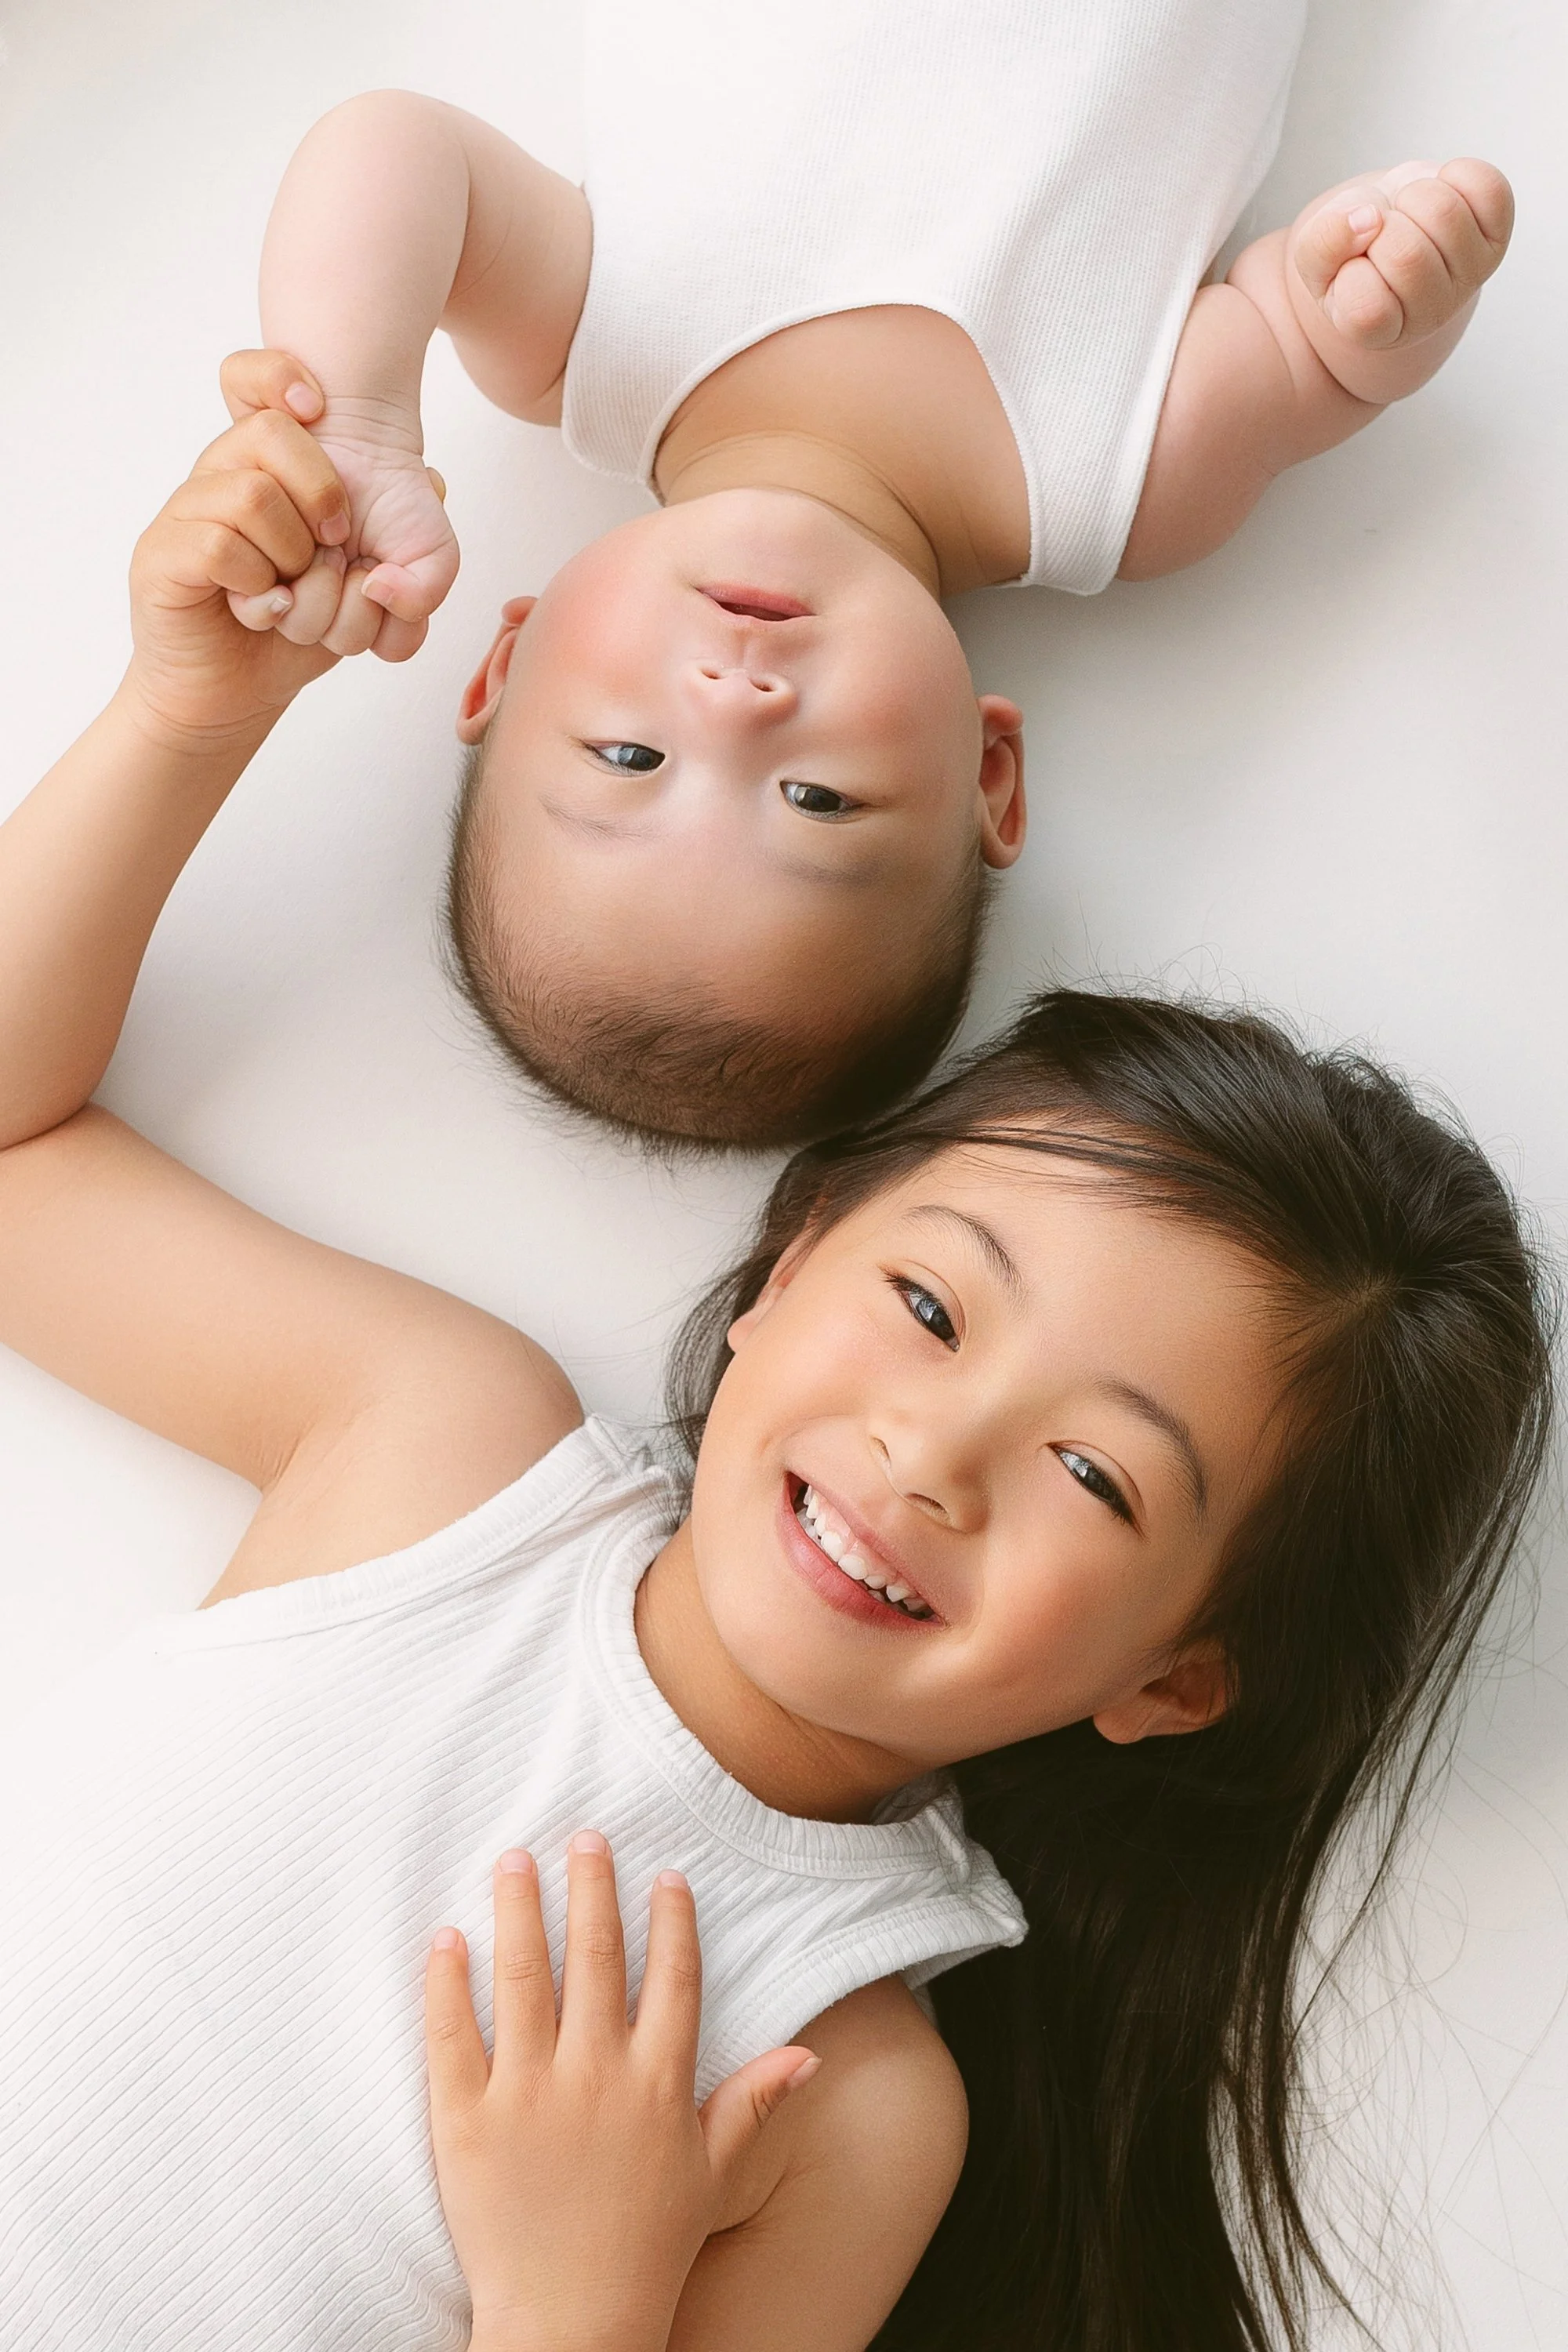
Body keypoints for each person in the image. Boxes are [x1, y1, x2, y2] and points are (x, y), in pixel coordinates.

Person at [0, 376, 1552, 2352]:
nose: (931, 1452)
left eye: (1099, 1477)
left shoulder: (853, 2101)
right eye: (927, 1306)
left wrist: (576, 2288)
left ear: (1174, 1675)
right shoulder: (438, 1461)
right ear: (786, 1264)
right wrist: (184, 715)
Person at [228, 3, 1515, 1145]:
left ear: (507, 663)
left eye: (630, 758)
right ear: (987, 776)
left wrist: (355, 416)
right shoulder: (1127, 485)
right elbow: (1305, 341)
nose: (735, 705)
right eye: (818, 799)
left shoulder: (580, 338)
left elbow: (391, 147)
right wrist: (1374, 299)